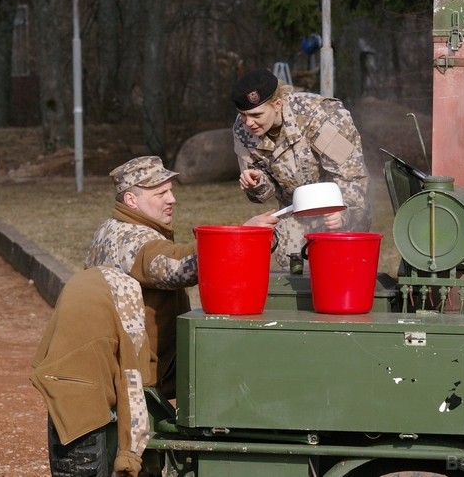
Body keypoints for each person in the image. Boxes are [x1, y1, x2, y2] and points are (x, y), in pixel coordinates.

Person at [84, 155, 277, 398]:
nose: (171, 199)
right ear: (131, 200)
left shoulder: (111, 226)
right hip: (145, 366)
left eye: (170, 191)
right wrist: (242, 236)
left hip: (128, 355)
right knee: (241, 361)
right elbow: (177, 267)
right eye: (160, 194)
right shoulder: (131, 239)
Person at [231, 68, 372, 269]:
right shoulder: (242, 130)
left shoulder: (318, 115)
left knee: (340, 271)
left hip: (338, 206)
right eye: (243, 115)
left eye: (256, 115)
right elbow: (264, 193)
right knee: (295, 274)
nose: (248, 122)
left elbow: (351, 173)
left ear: (277, 104)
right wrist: (256, 183)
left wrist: (344, 212)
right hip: (295, 211)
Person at [31, 265, 151, 477]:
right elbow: (131, 383)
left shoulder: (86, 276)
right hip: (84, 382)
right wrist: (130, 454)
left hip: (60, 373)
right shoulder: (128, 291)